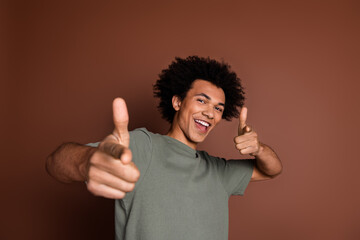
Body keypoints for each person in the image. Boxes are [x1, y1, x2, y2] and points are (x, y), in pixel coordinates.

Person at [46, 56, 282, 240]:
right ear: (177, 102)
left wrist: (258, 149)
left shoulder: (218, 171)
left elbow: (272, 169)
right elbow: (55, 163)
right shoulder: (143, 146)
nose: (210, 112)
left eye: (219, 108)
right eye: (202, 100)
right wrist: (87, 161)